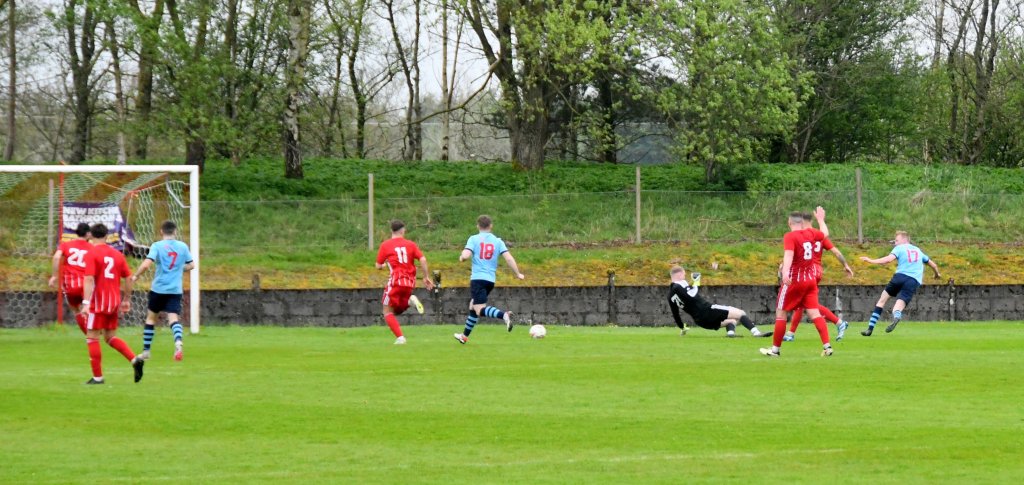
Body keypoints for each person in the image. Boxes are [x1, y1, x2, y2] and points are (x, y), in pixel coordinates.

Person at [760, 211, 834, 357]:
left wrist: (785, 273)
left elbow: (788, 255)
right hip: (810, 281)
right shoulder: (810, 233)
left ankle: (775, 350)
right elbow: (825, 233)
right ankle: (827, 347)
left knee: (781, 312)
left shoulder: (790, 236)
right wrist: (821, 220)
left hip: (795, 280)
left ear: (789, 223)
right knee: (814, 313)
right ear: (802, 222)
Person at [80, 223, 145, 384]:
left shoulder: (91, 253)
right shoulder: (117, 254)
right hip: (114, 302)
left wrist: (86, 303)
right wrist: (126, 300)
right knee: (110, 337)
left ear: (91, 236)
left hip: (98, 302)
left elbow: (89, 278)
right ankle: (134, 359)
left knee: (92, 337)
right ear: (107, 236)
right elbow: (128, 278)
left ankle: (98, 377)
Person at [783, 210, 854, 341]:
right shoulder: (816, 234)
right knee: (804, 303)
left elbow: (793, 254)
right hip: (817, 271)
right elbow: (836, 252)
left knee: (807, 303)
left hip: (808, 271)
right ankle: (791, 333)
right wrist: (845, 265)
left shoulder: (803, 235)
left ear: (801, 222)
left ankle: (838, 322)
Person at [453, 215, 525, 344]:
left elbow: (466, 255)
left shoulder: (473, 239)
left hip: (477, 279)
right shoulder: (498, 241)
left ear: (478, 226)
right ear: (491, 226)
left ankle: (504, 315)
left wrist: (462, 257)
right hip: (490, 281)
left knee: (479, 309)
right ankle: (464, 336)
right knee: (473, 305)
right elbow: (509, 258)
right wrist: (518, 273)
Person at [130, 220, 194, 361]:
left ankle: (146, 351)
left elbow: (146, 264)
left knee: (151, 318)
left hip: (158, 289)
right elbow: (191, 265)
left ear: (161, 232)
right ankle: (178, 342)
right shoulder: (183, 246)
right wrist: (178, 268)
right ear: (175, 231)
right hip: (175, 289)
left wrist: (136, 275)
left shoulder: (157, 246)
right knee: (173, 318)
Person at [859, 231, 941, 335]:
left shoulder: (899, 248)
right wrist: (937, 274)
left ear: (904, 240)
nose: (895, 243)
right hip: (913, 281)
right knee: (898, 305)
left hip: (899, 277)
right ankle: (897, 316)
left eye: (897, 240)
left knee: (881, 301)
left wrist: (871, 260)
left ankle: (870, 329)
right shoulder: (918, 250)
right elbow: (933, 265)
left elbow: (888, 260)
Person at [375, 220, 435, 344]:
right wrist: (426, 277)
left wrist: (385, 265)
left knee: (387, 311)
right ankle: (410, 301)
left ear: (391, 230)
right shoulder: (411, 244)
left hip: (395, 281)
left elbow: (378, 265)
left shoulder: (385, 245)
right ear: (403, 230)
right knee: (397, 310)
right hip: (409, 282)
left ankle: (400, 338)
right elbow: (423, 259)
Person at [668, 266, 771, 338]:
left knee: (732, 321)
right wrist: (696, 282)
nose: (684, 277)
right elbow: (692, 295)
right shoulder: (679, 285)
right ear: (680, 274)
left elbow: (676, 314)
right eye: (684, 274)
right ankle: (756, 333)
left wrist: (682, 327)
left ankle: (730, 334)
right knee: (741, 313)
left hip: (700, 321)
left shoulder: (670, 295)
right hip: (707, 310)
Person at [49, 222, 92, 334]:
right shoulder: (92, 248)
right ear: (88, 234)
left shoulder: (66, 245)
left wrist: (54, 276)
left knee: (76, 310)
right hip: (86, 284)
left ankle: (88, 335)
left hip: (70, 284)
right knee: (90, 308)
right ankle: (94, 335)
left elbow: (56, 257)